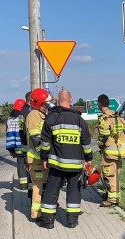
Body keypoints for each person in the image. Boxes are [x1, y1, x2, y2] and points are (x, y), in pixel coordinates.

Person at [37, 90, 93, 229]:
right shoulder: (80, 120)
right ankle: (72, 221)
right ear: (71, 99)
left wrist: (44, 158)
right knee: (74, 190)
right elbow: (86, 143)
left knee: (51, 190)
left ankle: (48, 221)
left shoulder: (51, 119)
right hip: (75, 165)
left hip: (56, 164)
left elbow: (45, 143)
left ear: (57, 100)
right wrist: (88, 158)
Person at [97, 94, 125, 207]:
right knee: (116, 174)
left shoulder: (104, 118)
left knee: (109, 175)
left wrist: (100, 145)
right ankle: (113, 196)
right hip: (120, 151)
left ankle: (112, 200)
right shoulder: (118, 116)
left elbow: (103, 136)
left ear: (100, 104)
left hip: (109, 152)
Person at [25, 88, 53, 221]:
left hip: (41, 159)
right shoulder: (33, 116)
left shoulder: (42, 115)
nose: (47, 106)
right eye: (45, 104)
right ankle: (36, 214)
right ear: (37, 103)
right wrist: (45, 155)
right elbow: (36, 139)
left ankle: (43, 210)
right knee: (38, 186)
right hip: (37, 160)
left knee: (43, 185)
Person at [6, 98, 28, 189]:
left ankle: (23, 184)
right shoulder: (22, 117)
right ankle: (29, 184)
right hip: (23, 144)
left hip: (15, 145)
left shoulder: (10, 118)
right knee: (28, 163)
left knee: (20, 163)